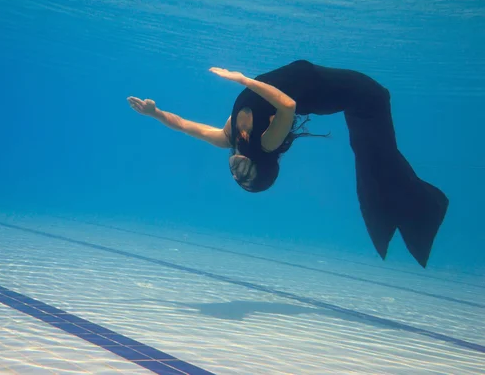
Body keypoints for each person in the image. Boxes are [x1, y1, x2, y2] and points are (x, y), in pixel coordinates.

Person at [127, 59, 449, 268]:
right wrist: (243, 79)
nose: (238, 171)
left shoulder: (230, 138)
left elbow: (186, 126)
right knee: (377, 154)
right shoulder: (266, 141)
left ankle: (407, 212)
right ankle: (422, 210)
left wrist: (155, 113)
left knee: (373, 156)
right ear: (259, 164)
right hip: (361, 96)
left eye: (237, 176)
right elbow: (287, 105)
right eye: (247, 174)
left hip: (339, 93)